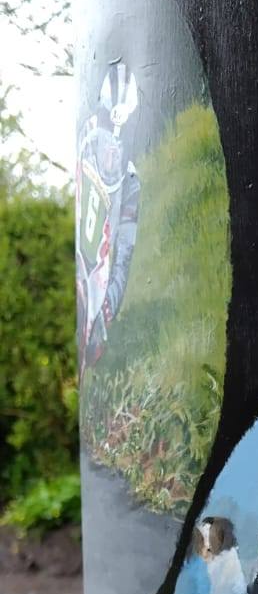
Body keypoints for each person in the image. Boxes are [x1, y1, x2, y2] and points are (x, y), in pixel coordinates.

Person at [76, 62, 141, 378]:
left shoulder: (131, 182)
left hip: (98, 281)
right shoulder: (83, 144)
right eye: (106, 139)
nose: (111, 151)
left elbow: (124, 252)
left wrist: (108, 305)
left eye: (118, 142)